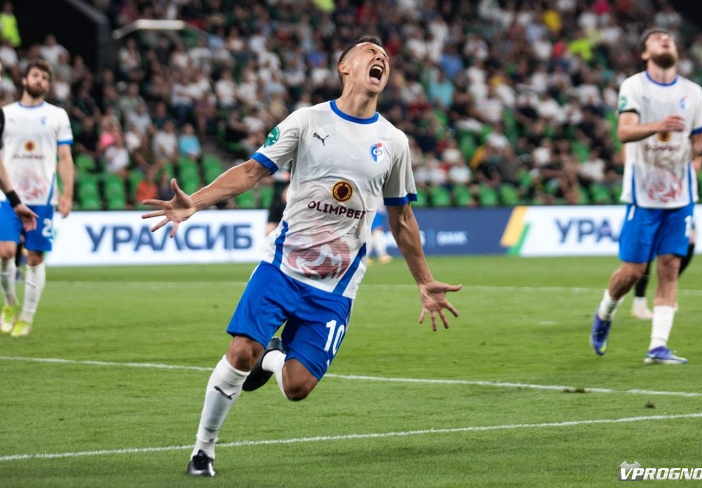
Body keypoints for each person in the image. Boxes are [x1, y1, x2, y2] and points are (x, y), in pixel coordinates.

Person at [143, 36, 462, 477]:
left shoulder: (394, 142)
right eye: (369, 52)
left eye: (385, 57)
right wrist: (195, 202)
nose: (381, 58)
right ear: (344, 68)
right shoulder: (307, 121)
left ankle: (271, 358)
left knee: (296, 387)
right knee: (240, 352)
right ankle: (203, 450)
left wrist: (424, 280)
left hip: (335, 286)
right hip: (282, 266)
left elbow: (402, 217)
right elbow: (252, 170)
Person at [590, 28, 702, 364]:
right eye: (657, 38)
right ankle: (605, 312)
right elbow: (624, 132)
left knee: (670, 267)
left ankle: (657, 346)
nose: (666, 40)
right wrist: (658, 125)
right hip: (643, 195)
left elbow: (696, 143)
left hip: (681, 195)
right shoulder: (634, 86)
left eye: (670, 38)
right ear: (645, 53)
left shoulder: (693, 92)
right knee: (633, 271)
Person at [0, 59, 74, 337]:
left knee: (34, 258)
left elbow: (65, 157)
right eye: (35, 75)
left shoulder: (57, 115)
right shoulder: (5, 114)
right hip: (7, 196)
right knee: (5, 252)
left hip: (43, 197)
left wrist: (67, 193)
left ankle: (26, 318)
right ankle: (9, 302)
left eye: (44, 77)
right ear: (24, 79)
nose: (39, 80)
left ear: (48, 84)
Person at [630, 154, 702, 319]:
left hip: (678, 202)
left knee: (690, 241)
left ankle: (666, 288)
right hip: (653, 201)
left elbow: (695, 166)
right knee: (647, 251)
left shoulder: (687, 147)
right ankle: (639, 303)